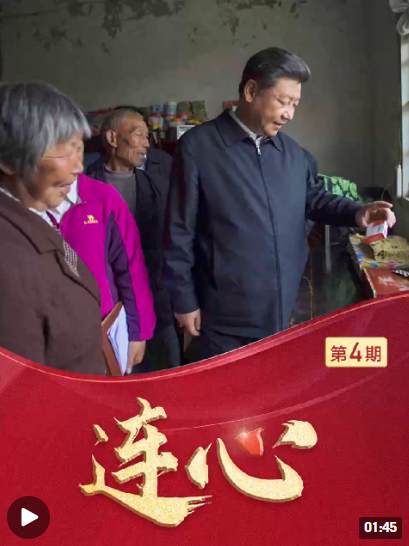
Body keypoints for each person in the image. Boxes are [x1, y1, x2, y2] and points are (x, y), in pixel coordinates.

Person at [163, 47, 397, 361]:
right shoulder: (199, 147)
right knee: (232, 386)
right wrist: (183, 300)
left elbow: (314, 198)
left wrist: (358, 212)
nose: (290, 114)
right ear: (251, 91)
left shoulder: (293, 154)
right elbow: (179, 230)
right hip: (224, 314)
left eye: (295, 104)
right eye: (283, 101)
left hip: (283, 305)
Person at [0, 81, 106, 375]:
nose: (78, 167)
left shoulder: (33, 216)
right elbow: (19, 389)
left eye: (78, 148)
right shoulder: (6, 257)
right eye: (63, 152)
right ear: (8, 160)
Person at [87, 108, 180, 371]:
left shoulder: (159, 186)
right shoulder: (84, 187)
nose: (146, 143)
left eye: (147, 136)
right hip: (106, 306)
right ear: (112, 139)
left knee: (167, 374)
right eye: (139, 134)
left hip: (155, 300)